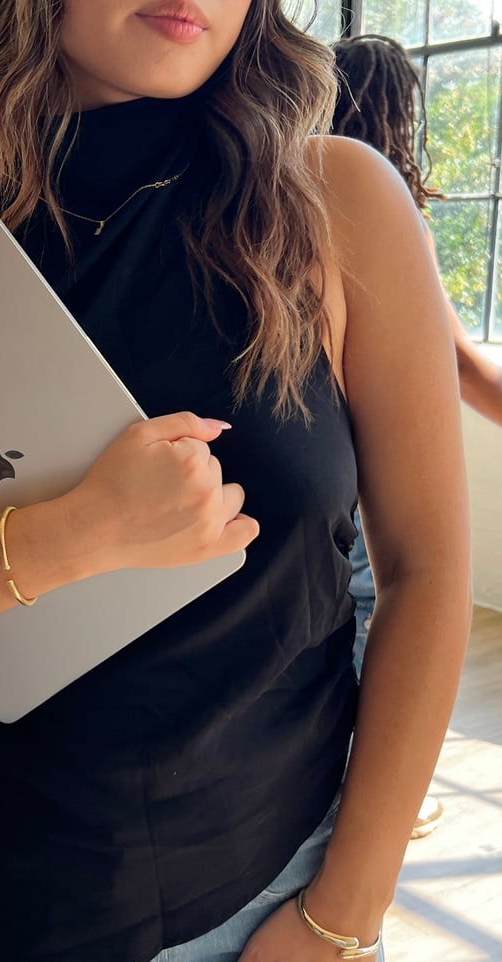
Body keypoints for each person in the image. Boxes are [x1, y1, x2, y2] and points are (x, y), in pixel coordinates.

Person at [0, 4, 471, 961]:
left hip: (263, 901)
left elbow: (426, 572)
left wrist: (343, 918)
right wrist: (74, 534)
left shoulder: (340, 206)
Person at [332, 33, 502, 840]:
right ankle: (366, 807)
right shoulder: (382, 217)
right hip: (372, 494)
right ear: (402, 113)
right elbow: (462, 366)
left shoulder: (281, 210)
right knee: (384, 622)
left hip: (324, 483)